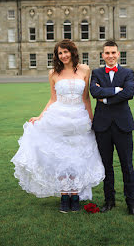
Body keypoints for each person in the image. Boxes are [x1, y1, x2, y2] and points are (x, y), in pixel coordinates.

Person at [11, 39, 105, 213]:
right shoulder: (53, 73)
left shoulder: (84, 70)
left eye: (65, 52)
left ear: (72, 52)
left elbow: (85, 98)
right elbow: (53, 99)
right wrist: (40, 116)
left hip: (79, 119)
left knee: (77, 156)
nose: (63, 56)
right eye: (60, 53)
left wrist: (91, 119)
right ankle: (64, 196)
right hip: (58, 118)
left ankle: (75, 195)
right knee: (61, 157)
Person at [90, 40, 134, 216]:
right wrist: (116, 90)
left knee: (127, 165)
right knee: (106, 166)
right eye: (107, 53)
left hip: (123, 125)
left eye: (113, 53)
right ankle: (109, 200)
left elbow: (129, 93)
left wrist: (106, 98)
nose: (110, 56)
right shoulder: (96, 73)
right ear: (102, 55)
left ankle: (131, 203)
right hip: (102, 126)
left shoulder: (127, 72)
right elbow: (94, 92)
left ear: (118, 54)